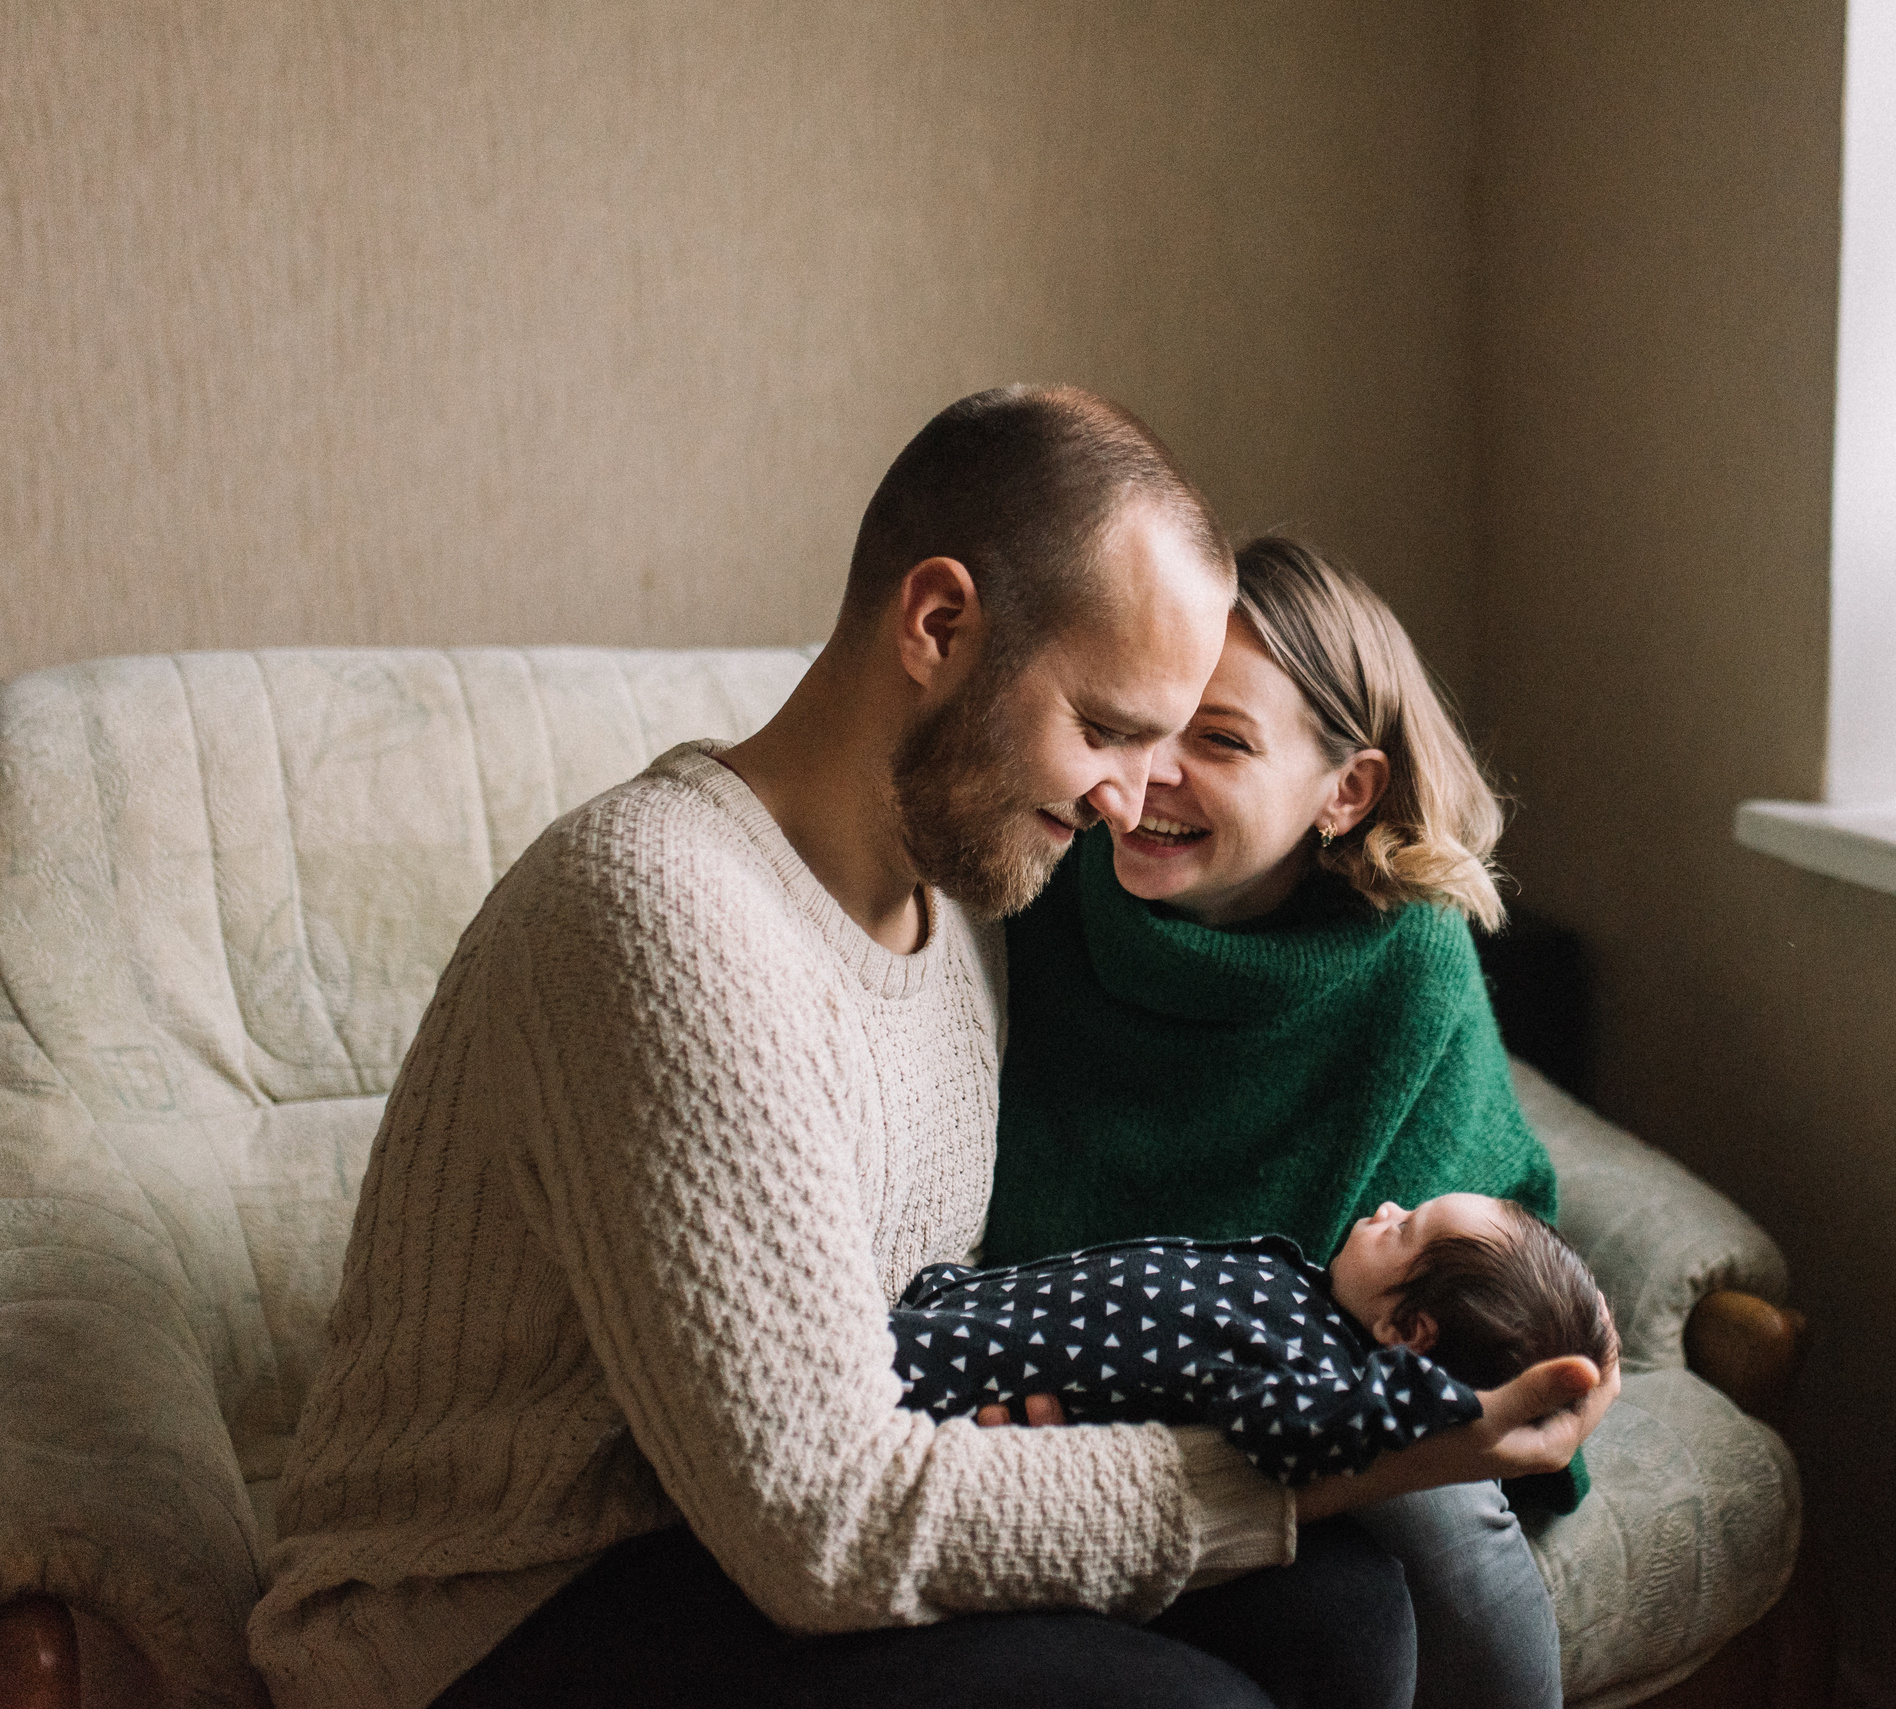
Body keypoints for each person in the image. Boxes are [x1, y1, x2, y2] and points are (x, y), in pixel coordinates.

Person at [246, 388, 1615, 1709]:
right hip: (505, 1606)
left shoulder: (967, 906)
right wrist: (1309, 1477)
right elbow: (826, 1523)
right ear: (941, 623)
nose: (1132, 799)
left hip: (739, 1530)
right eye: (1108, 729)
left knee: (1348, 1613)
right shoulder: (659, 912)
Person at [982, 534, 1587, 1709]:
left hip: (1337, 1368)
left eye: (1219, 740)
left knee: (1418, 1513)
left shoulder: (1403, 955)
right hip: (1099, 1356)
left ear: (1344, 789)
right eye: (1143, 722)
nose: (1149, 774)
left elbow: (1440, 1283)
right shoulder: (1035, 886)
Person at [892, 1195, 1620, 1485]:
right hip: (972, 1306)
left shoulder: (1320, 1375)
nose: (1388, 1207)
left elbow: (1282, 1428)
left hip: (957, 1384)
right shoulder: (1307, 1293)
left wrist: (1419, 1404)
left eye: (1405, 1230)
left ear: (1406, 1335)